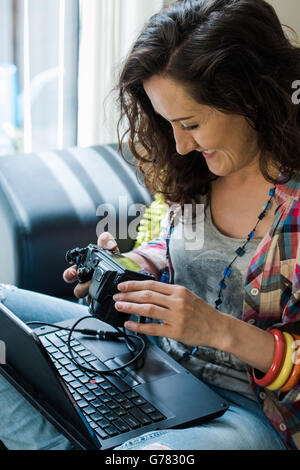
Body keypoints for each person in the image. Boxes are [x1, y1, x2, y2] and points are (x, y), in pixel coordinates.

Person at [0, 0, 300, 450]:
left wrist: (218, 329)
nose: (179, 145)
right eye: (168, 123)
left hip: (248, 412)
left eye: (191, 123)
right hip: (150, 360)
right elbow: (179, 247)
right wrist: (127, 267)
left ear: (249, 97)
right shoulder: (202, 172)